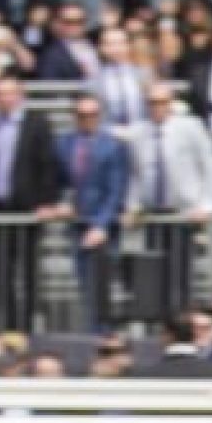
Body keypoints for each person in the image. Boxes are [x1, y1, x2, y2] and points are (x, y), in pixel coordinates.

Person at [0, 74, 62, 333]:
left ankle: (27, 326)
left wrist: (47, 201)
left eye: (10, 93)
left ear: (21, 96)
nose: (5, 99)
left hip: (27, 211)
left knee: (28, 270)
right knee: (0, 272)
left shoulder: (37, 125)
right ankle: (6, 327)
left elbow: (48, 165)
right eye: (0, 94)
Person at [125, 83, 212, 317]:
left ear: (171, 103)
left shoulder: (190, 127)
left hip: (183, 212)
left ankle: (182, 318)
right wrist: (133, 205)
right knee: (155, 272)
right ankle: (162, 320)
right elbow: (135, 173)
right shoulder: (139, 132)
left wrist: (207, 204)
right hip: (153, 214)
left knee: (180, 272)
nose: (157, 107)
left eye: (162, 102)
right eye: (152, 103)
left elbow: (210, 163)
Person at [56, 93, 129, 332]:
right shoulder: (64, 144)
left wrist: (101, 225)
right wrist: (62, 202)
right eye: (82, 114)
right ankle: (92, 331)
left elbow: (116, 189)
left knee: (102, 285)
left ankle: (103, 333)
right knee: (84, 283)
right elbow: (60, 181)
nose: (87, 119)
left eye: (93, 114)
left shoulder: (113, 146)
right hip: (77, 223)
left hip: (103, 226)